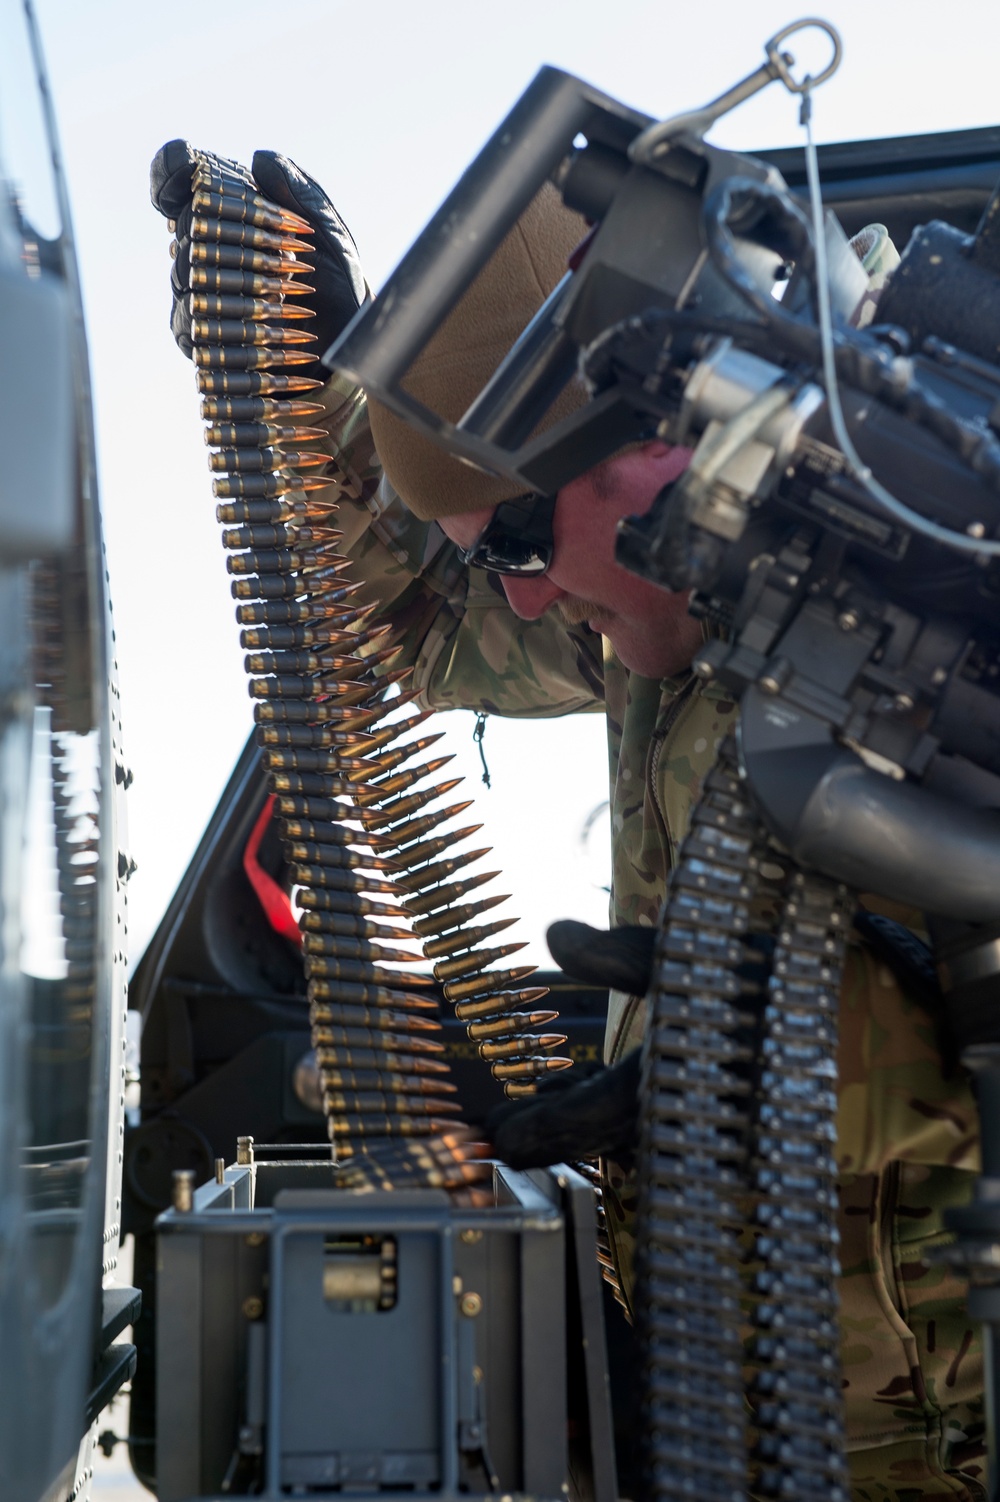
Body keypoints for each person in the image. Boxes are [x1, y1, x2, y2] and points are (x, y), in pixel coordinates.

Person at [152, 144, 986, 1500]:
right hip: (749, 1417)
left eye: (520, 545)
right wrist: (315, 374)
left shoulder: (961, 581)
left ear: (658, 432)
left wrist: (818, 1045)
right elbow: (430, 622)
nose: (527, 601)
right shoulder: (675, 600)